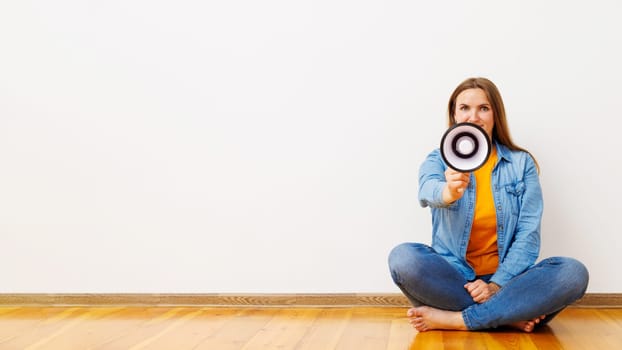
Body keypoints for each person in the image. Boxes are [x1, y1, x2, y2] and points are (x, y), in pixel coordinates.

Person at [388, 77, 589, 332]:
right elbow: (427, 190)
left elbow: (528, 236)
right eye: (465, 108)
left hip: (509, 282)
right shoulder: (438, 160)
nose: (474, 117)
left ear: (496, 114)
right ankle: (509, 315)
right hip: (455, 281)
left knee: (573, 272)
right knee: (403, 258)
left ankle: (458, 320)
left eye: (483, 108)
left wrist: (496, 286)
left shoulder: (521, 164)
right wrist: (448, 191)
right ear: (454, 114)